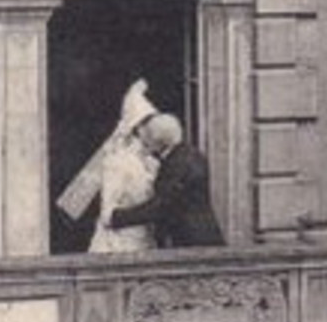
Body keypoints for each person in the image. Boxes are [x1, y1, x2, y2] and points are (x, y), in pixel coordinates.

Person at [56, 79, 162, 255]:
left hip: (145, 241)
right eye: (147, 127)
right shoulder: (117, 162)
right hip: (119, 244)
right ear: (137, 129)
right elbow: (108, 213)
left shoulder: (152, 163)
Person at [105, 112, 225, 248]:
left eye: (147, 137)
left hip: (193, 242)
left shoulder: (178, 163)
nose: (144, 142)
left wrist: (117, 218)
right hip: (201, 237)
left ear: (157, 140)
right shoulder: (188, 154)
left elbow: (161, 205)